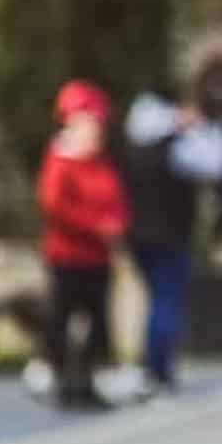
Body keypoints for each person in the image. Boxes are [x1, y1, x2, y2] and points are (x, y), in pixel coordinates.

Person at [123, 84, 222, 394]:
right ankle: (156, 368)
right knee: (166, 301)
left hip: (138, 235)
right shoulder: (179, 148)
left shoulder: (138, 145)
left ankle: (153, 365)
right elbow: (220, 164)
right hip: (169, 236)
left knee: (159, 300)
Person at [36, 80, 129, 410]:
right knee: (63, 319)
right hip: (68, 254)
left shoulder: (100, 164)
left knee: (96, 322)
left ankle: (88, 381)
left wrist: (115, 225)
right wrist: (95, 226)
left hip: (97, 257)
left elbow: (116, 200)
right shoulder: (61, 161)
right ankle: (63, 379)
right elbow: (54, 205)